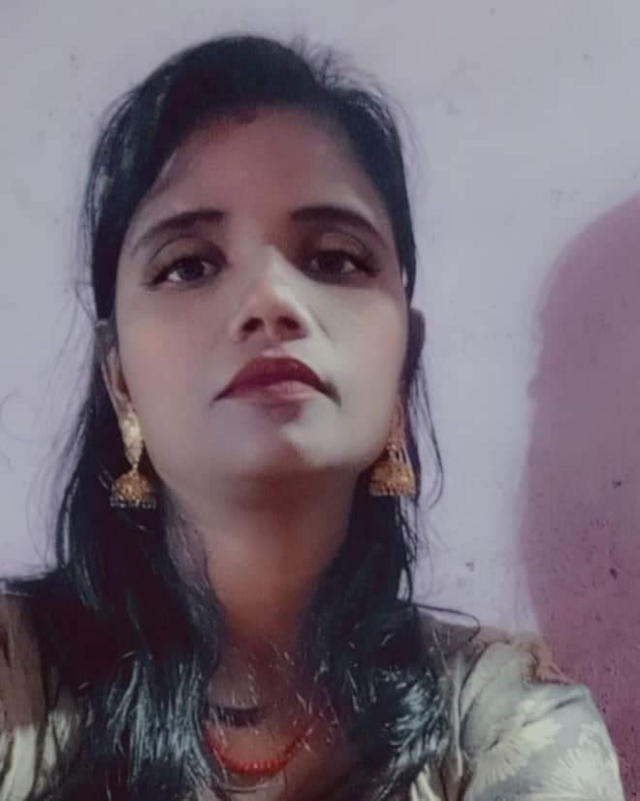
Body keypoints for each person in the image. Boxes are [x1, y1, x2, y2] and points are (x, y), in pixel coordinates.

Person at [0, 35, 624, 801]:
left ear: (403, 359)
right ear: (120, 378)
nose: (271, 299)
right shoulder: (15, 686)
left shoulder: (505, 721)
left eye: (333, 258)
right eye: (189, 264)